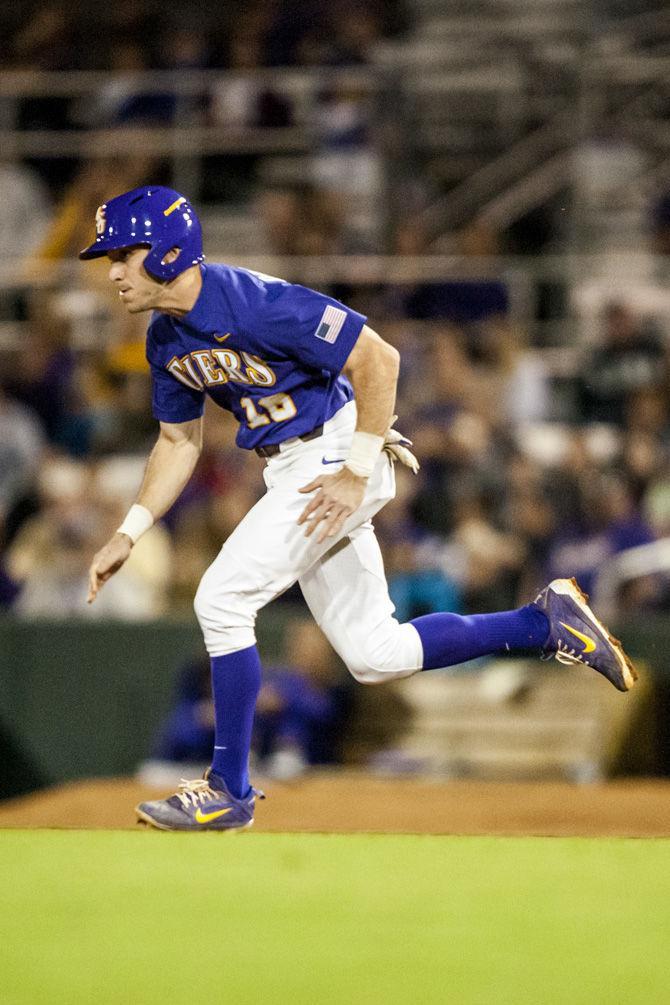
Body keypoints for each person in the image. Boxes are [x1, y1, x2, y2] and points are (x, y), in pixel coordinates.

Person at [80, 186, 637, 832]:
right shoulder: (165, 339)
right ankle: (545, 623)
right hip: (295, 464)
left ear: (171, 249)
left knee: (221, 600)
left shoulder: (252, 302)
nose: (114, 270)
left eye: (125, 252)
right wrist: (132, 528)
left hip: (335, 453)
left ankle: (227, 788)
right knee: (377, 653)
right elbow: (179, 440)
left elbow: (380, 357)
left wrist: (356, 465)